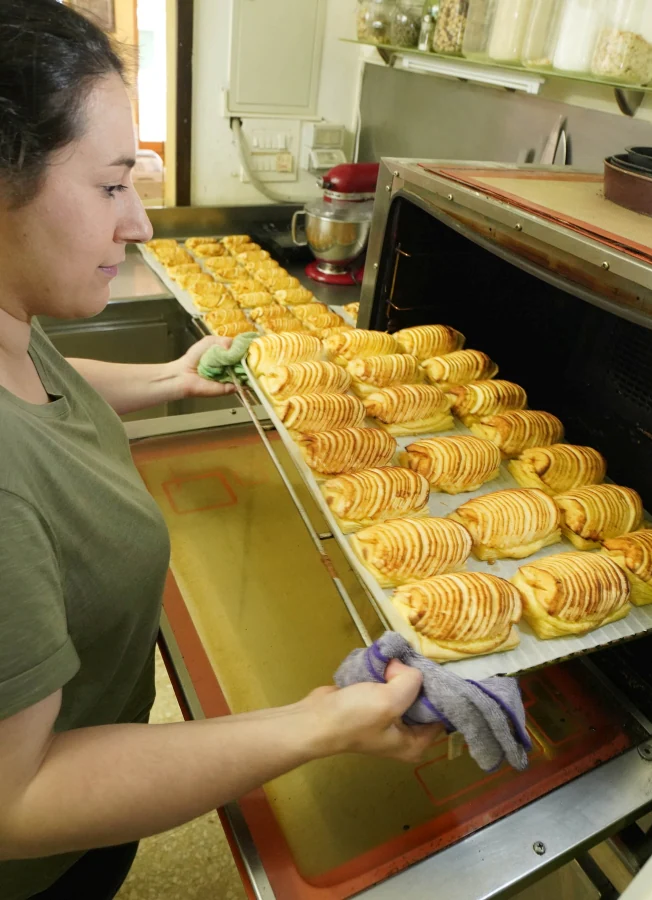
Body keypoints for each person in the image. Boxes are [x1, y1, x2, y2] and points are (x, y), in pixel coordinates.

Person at [0, 3, 442, 898]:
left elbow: (42, 382)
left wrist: (165, 378)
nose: (141, 227)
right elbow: (21, 796)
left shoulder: (16, 321)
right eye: (112, 185)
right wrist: (317, 727)